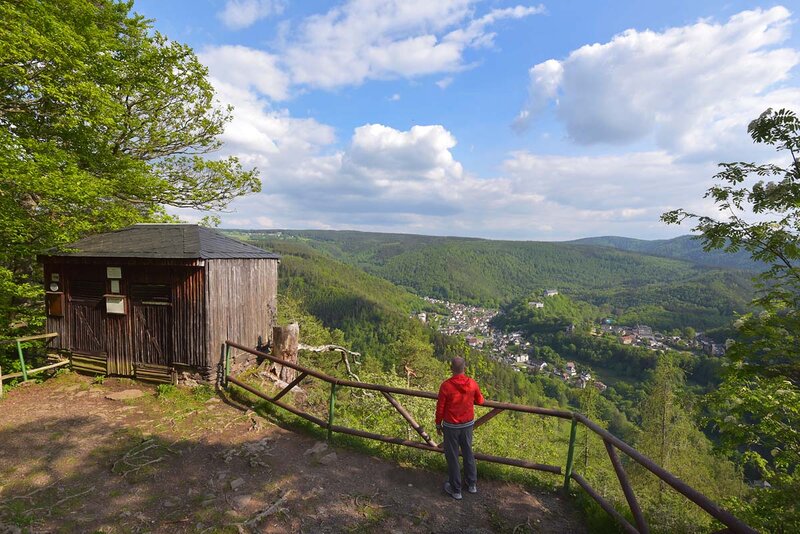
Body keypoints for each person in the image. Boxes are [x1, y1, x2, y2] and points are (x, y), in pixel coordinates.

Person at [435, 356, 485, 500]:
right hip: (467, 424)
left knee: (452, 456)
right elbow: (480, 400)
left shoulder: (446, 386)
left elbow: (440, 408)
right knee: (468, 452)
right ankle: (472, 484)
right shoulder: (472, 383)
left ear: (451, 369)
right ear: (464, 368)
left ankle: (456, 489)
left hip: (451, 426)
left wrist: (438, 424)